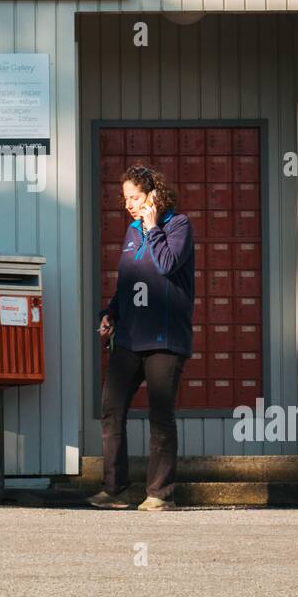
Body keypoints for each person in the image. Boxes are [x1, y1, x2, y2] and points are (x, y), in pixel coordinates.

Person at [90, 164, 195, 511]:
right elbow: (128, 284)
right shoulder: (131, 232)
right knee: (111, 408)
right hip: (129, 339)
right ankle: (114, 489)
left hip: (165, 340)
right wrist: (110, 313)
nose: (129, 205)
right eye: (126, 199)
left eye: (135, 198)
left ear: (153, 195)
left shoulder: (178, 226)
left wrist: (153, 228)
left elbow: (167, 264)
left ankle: (159, 494)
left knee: (160, 416)